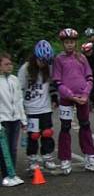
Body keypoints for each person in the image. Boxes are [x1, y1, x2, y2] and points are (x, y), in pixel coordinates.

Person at [53, 28, 94, 174]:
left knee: (85, 125)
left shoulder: (82, 58)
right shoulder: (59, 59)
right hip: (67, 98)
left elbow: (89, 78)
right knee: (65, 127)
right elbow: (58, 82)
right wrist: (70, 95)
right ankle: (65, 158)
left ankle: (89, 154)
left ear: (76, 43)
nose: (69, 45)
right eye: (67, 42)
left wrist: (85, 94)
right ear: (63, 44)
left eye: (72, 42)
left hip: (82, 97)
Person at [19, 41, 58, 173]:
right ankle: (32, 160)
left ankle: (47, 157)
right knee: (34, 136)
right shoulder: (25, 69)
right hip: (31, 109)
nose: (44, 64)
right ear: (35, 57)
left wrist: (54, 98)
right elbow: (19, 89)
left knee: (47, 134)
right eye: (42, 61)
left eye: (46, 61)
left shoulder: (48, 67)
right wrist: (21, 110)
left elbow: (52, 84)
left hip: (45, 108)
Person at [0, 52, 26, 187]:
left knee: (13, 148)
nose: (9, 66)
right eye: (6, 64)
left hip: (15, 119)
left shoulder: (14, 79)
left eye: (10, 64)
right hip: (3, 120)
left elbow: (19, 100)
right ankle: (5, 175)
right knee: (4, 149)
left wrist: (23, 119)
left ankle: (12, 174)